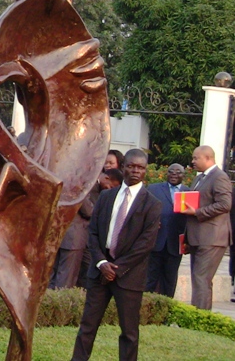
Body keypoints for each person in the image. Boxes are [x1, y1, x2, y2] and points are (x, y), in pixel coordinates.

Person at [72, 149, 161, 361]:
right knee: (87, 327)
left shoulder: (152, 204)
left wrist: (116, 269)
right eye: (131, 166)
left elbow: (145, 245)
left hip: (128, 278)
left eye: (140, 167)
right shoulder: (106, 196)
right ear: (123, 167)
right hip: (99, 273)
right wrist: (102, 262)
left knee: (129, 332)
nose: (135, 171)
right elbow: (92, 233)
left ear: (145, 171)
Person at [183, 145, 232, 310]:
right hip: (197, 237)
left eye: (196, 158)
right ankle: (200, 314)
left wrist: (197, 212)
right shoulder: (199, 178)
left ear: (208, 158)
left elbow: (225, 204)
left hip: (212, 237)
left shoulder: (219, 177)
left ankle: (199, 317)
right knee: (199, 279)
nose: (193, 161)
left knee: (201, 278)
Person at [146, 164, 188, 297]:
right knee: (149, 279)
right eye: (171, 171)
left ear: (183, 175)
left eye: (178, 172)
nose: (174, 174)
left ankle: (166, 308)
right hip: (156, 242)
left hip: (175, 243)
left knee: (170, 280)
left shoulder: (189, 192)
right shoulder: (153, 189)